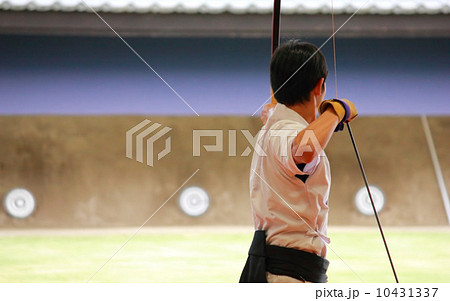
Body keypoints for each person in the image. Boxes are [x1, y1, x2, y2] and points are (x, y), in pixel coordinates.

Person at [240, 40, 357, 283]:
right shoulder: (284, 130)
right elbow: (304, 151)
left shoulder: (278, 126)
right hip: (290, 278)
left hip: (285, 273)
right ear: (320, 86)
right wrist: (335, 112)